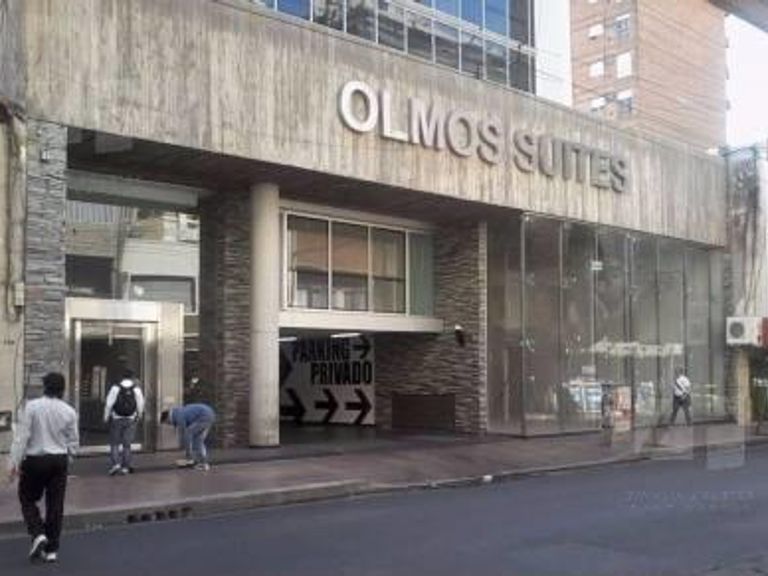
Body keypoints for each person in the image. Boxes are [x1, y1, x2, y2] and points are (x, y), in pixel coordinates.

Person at [7, 372, 79, 564]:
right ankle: (52, 549)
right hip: (59, 460)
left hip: (35, 460)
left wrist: (14, 463)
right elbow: (73, 441)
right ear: (63, 389)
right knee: (56, 504)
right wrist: (68, 458)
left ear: (45, 387)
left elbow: (21, 437)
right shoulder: (69, 411)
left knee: (27, 498)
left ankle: (38, 533)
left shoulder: (32, 407)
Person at [103, 369, 145, 476]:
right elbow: (140, 404)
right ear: (132, 377)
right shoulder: (136, 389)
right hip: (131, 419)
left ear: (121, 377)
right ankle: (125, 467)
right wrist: (139, 415)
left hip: (116, 418)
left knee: (114, 443)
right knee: (127, 445)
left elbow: (109, 403)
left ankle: (115, 464)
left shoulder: (115, 388)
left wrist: (106, 416)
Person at [160, 403, 216, 471]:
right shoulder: (178, 412)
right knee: (198, 440)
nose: (169, 424)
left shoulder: (179, 416)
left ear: (168, 418)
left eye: (167, 422)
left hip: (204, 415)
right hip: (208, 413)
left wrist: (187, 454)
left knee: (188, 433)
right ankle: (204, 463)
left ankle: (190, 458)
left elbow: (185, 435)